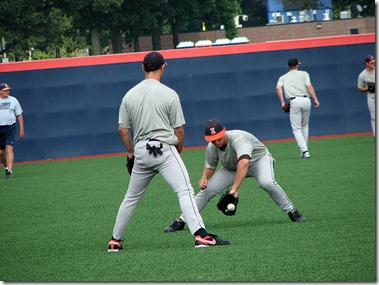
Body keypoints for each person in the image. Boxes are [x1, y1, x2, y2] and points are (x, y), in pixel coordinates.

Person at [108, 52, 230, 252]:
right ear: (163, 67)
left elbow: (122, 129)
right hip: (164, 149)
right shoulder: (169, 93)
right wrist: (179, 151)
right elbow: (179, 130)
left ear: (143, 68)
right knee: (185, 191)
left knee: (131, 197)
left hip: (141, 151)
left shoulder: (129, 94)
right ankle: (201, 235)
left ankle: (115, 240)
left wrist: (131, 152)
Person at [164, 119, 306, 233]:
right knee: (207, 190)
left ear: (224, 131)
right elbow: (210, 166)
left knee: (267, 182)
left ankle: (292, 211)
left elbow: (244, 163)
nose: (216, 141)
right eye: (212, 139)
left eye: (218, 137)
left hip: (258, 161)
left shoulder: (239, 138)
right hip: (231, 167)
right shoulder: (212, 146)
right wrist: (204, 178)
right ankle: (182, 220)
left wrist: (234, 190)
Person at [276, 57, 320, 158]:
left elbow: (278, 88)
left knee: (296, 129)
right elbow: (309, 86)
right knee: (305, 126)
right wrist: (315, 99)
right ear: (297, 65)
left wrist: (282, 102)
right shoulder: (304, 74)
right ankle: (304, 150)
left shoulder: (283, 77)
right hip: (306, 100)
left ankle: (304, 150)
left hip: (294, 101)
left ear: (288, 66)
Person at [0, 83, 24, 178]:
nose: (7, 91)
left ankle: (10, 171)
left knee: (9, 148)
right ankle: (6, 168)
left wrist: (21, 129)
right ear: (0, 91)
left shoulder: (13, 100)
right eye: (5, 90)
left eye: (8, 90)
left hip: (10, 127)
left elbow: (19, 115)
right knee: (1, 152)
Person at [357, 55, 375, 138]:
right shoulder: (362, 75)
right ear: (367, 63)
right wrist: (368, 88)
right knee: (374, 117)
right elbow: (360, 88)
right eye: (371, 63)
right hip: (371, 96)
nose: (373, 64)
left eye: (373, 62)